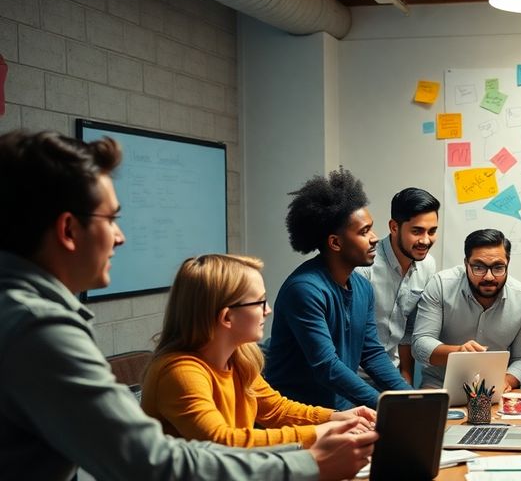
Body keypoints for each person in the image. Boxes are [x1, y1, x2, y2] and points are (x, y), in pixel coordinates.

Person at [0, 130, 375, 480]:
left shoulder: (22, 314)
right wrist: (310, 459)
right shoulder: (36, 327)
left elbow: (273, 408)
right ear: (68, 230)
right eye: (111, 219)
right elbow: (152, 461)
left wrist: (333, 421)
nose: (120, 236)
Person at [142, 254, 377, 448]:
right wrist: (320, 432)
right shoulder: (180, 373)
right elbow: (223, 442)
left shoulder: (238, 357)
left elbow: (275, 409)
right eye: (260, 302)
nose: (268, 310)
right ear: (227, 317)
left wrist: (337, 418)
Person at [265, 167, 412, 410]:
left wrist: (413, 399)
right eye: (364, 232)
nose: (375, 238)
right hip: (298, 415)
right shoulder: (304, 290)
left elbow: (372, 354)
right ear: (335, 242)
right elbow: (326, 366)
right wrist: (385, 404)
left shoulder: (363, 287)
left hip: (341, 411)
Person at [412, 229, 521, 393]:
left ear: (508, 263)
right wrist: (458, 353)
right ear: (466, 264)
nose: (489, 277)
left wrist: (506, 381)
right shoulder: (441, 285)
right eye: (479, 267)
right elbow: (420, 344)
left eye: (498, 267)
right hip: (440, 386)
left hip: (493, 389)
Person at [354, 188, 439, 386]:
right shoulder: (364, 267)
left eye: (432, 231)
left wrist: (406, 377)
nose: (426, 240)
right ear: (394, 227)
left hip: (391, 374)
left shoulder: (428, 265)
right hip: (355, 375)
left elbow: (408, 329)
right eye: (417, 231)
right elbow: (352, 334)